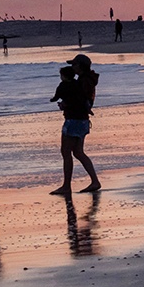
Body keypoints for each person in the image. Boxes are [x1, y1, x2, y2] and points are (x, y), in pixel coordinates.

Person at [48, 63, 101, 195]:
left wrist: (65, 104)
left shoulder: (78, 83)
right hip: (83, 121)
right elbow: (81, 100)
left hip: (73, 120)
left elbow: (74, 101)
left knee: (66, 152)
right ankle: (95, 181)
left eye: (75, 65)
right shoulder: (84, 82)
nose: (74, 68)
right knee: (78, 152)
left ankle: (66, 186)